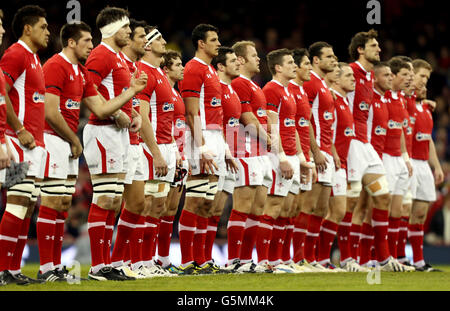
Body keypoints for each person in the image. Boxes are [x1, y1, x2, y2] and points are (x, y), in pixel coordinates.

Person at [37, 21, 147, 282]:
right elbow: (51, 112)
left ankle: (61, 266)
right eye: (86, 41)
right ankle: (48, 267)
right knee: (50, 201)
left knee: (65, 202)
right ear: (72, 42)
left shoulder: (81, 72)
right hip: (54, 138)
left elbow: (99, 107)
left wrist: (124, 110)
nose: (91, 45)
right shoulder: (55, 64)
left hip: (72, 139)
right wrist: (130, 92)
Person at [83, 7, 142, 281]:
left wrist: (135, 115)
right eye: (125, 27)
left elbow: (120, 94)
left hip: (118, 134)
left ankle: (107, 264)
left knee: (115, 200)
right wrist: (118, 112)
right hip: (102, 131)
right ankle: (97, 266)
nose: (129, 32)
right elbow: (88, 89)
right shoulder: (100, 54)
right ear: (110, 29)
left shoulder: (118, 57)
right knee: (105, 197)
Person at [177, 24, 235, 274]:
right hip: (198, 137)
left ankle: (202, 259)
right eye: (213, 39)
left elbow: (216, 113)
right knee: (195, 200)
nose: (218, 43)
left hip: (213, 136)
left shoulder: (210, 71)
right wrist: (200, 147)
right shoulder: (192, 69)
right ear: (201, 43)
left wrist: (223, 147)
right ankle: (188, 261)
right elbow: (191, 112)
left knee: (207, 203)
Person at [0, 5, 49, 285]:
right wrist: (18, 129)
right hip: (19, 142)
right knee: (17, 204)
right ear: (27, 29)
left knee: (27, 206)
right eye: (43, 27)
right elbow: (0, 92)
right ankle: (3, 269)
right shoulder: (16, 54)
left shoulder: (34, 58)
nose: (48, 32)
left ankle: (14, 270)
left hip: (34, 144)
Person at [258, 48, 311, 273]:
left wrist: (300, 157)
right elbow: (271, 125)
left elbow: (293, 127)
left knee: (288, 209)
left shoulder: (287, 91)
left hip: (291, 155)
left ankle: (281, 259)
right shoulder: (271, 90)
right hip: (277, 155)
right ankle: (264, 261)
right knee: (273, 206)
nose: (295, 66)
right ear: (278, 67)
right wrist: (280, 157)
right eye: (290, 63)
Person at [109, 19, 152, 279]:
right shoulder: (119, 64)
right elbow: (104, 96)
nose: (144, 41)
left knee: (137, 203)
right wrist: (119, 114)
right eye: (140, 36)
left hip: (133, 140)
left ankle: (120, 261)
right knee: (112, 202)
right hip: (117, 137)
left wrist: (133, 113)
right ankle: (110, 262)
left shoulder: (133, 66)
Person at [135, 26, 178, 277]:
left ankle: (148, 261)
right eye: (159, 39)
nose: (165, 42)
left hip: (165, 145)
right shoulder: (144, 72)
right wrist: (156, 152)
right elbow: (142, 114)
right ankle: (137, 261)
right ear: (148, 46)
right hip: (151, 147)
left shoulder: (159, 74)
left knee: (158, 207)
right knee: (146, 204)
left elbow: (166, 117)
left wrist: (172, 148)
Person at [227, 40, 272, 273]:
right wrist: (269, 139)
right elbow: (248, 117)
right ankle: (235, 260)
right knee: (242, 205)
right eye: (254, 55)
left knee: (258, 207)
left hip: (261, 153)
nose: (259, 59)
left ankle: (246, 260)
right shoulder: (239, 84)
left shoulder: (255, 85)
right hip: (245, 150)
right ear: (241, 60)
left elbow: (260, 117)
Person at [301, 42, 337, 270]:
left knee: (321, 209)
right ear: (316, 60)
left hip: (326, 152)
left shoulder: (323, 84)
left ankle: (312, 258)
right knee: (307, 206)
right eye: (329, 56)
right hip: (316, 152)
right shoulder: (311, 83)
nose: (334, 60)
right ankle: (299, 257)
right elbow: (305, 120)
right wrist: (315, 152)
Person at [408, 59, 444, 271]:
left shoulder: (424, 107)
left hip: (423, 164)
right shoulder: (404, 103)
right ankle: (400, 257)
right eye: (421, 77)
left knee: (420, 213)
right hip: (407, 161)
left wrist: (436, 166)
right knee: (402, 212)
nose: (424, 82)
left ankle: (419, 261)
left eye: (427, 79)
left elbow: (427, 139)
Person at [209, 46, 241, 270]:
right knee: (207, 207)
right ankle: (198, 259)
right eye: (232, 61)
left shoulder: (231, 89)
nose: (237, 63)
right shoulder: (217, 88)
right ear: (221, 66)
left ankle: (206, 259)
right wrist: (226, 150)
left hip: (230, 153)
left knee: (217, 211)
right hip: (219, 151)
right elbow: (214, 121)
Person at [157, 50, 187, 274]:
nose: (182, 67)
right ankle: (144, 258)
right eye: (177, 64)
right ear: (166, 68)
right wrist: (174, 151)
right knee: (157, 206)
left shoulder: (175, 93)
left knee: (170, 209)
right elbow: (164, 124)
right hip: (167, 151)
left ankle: (164, 259)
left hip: (179, 153)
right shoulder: (163, 91)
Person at [288, 48, 318, 272]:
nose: (310, 68)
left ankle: (299, 258)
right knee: (291, 207)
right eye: (307, 64)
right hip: (292, 154)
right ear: (295, 67)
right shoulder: (288, 90)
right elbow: (291, 127)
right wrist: (300, 155)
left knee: (302, 206)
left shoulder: (300, 92)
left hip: (303, 154)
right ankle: (289, 258)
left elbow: (305, 126)